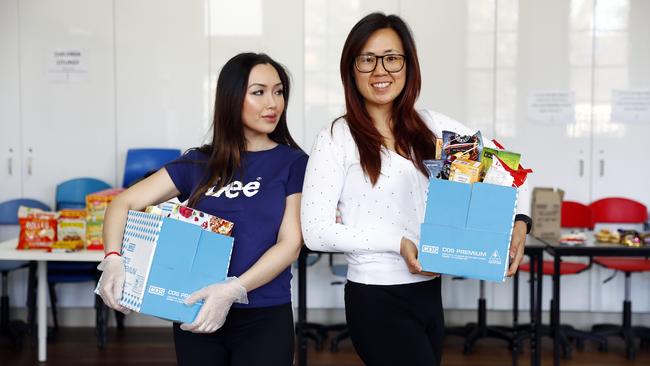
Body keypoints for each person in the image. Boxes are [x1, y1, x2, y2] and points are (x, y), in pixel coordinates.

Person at [301, 13, 532, 366]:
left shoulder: (433, 127)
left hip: (428, 293)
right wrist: (399, 243)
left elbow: (509, 169)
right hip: (374, 297)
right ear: (351, 69)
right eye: (368, 59)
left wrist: (520, 221)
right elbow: (316, 232)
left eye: (392, 58)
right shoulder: (336, 138)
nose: (381, 71)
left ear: (409, 65)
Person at [96, 52, 308, 366]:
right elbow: (121, 204)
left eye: (278, 92)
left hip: (264, 314)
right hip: (193, 308)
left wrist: (234, 289)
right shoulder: (199, 162)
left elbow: (290, 244)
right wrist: (113, 259)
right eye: (259, 92)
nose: (273, 103)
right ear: (232, 98)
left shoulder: (293, 162)